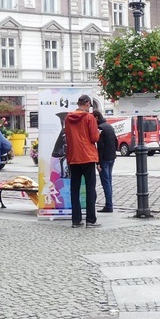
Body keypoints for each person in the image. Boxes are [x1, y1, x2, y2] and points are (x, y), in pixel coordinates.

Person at [64, 95, 101, 228]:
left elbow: (67, 136)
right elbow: (94, 137)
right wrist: (98, 133)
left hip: (74, 156)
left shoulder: (68, 118)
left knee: (75, 189)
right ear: (87, 104)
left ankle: (76, 220)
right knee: (90, 189)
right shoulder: (89, 118)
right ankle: (91, 220)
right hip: (87, 156)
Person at [93, 110, 116, 212]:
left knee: (105, 182)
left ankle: (109, 206)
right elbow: (116, 141)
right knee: (109, 182)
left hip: (104, 159)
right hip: (111, 157)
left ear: (96, 117)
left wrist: (98, 163)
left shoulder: (100, 128)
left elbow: (100, 147)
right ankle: (109, 204)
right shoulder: (109, 126)